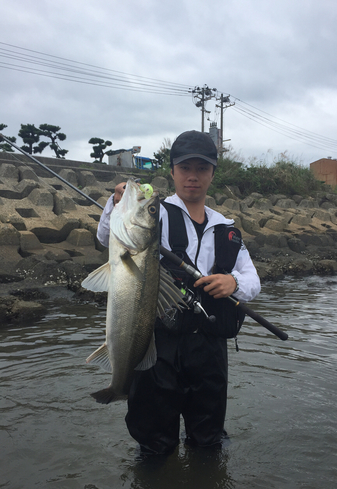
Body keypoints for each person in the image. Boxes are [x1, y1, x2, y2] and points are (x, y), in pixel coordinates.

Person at [97, 130, 261, 454]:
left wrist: (234, 284)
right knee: (155, 443)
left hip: (210, 349)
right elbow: (107, 238)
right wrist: (115, 202)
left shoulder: (226, 228)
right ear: (172, 171)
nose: (193, 177)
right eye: (185, 168)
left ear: (213, 174)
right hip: (158, 343)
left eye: (202, 168)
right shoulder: (153, 212)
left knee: (208, 439)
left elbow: (252, 279)